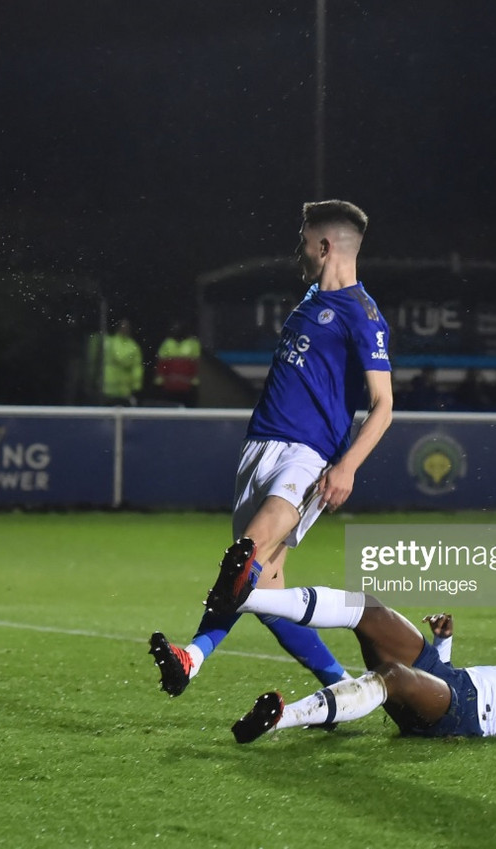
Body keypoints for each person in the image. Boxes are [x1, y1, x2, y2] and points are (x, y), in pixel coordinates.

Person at [149, 199, 394, 697]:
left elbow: (384, 404)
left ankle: (192, 657)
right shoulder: (309, 299)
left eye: (303, 240)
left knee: (245, 558)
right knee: (263, 591)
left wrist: (346, 467)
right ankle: (344, 688)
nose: (297, 250)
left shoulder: (363, 315)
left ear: (324, 247)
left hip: (308, 457)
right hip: (258, 450)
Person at [208, 576, 496, 744]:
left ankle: (281, 718)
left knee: (393, 676)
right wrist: (441, 645)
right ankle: (246, 597)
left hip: (460, 713)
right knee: (369, 609)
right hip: (448, 679)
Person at [88, 318, 144, 405]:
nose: (125, 329)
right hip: (108, 388)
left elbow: (136, 367)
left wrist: (136, 386)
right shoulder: (110, 342)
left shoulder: (131, 346)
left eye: (126, 327)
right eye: (123, 326)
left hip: (121, 389)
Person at [153, 320, 202, 407]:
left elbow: (196, 366)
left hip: (188, 387)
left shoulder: (193, 343)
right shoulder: (167, 344)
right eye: (175, 328)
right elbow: (161, 365)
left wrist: (193, 383)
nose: (177, 330)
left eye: (179, 328)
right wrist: (160, 383)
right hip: (169, 386)